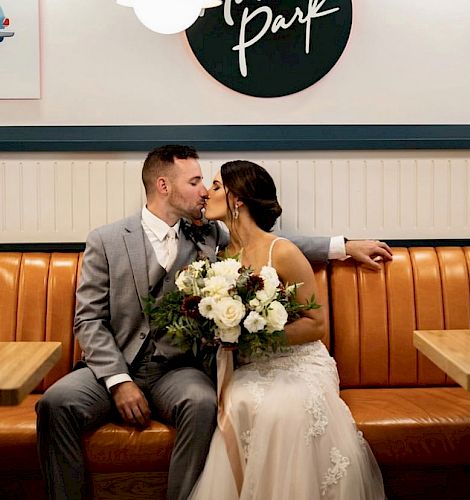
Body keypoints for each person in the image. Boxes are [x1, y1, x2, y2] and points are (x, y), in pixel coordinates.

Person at [36, 145, 390, 500]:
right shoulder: (107, 239)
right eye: (195, 181)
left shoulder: (208, 235)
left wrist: (343, 246)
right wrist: (118, 380)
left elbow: (269, 244)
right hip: (114, 365)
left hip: (175, 370)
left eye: (208, 182)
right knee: (56, 402)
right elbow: (89, 320)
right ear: (163, 186)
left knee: (203, 403)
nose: (204, 189)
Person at [188, 160, 386, 500]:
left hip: (299, 362)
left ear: (237, 199)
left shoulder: (282, 251)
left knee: (283, 408)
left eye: (217, 186)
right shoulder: (218, 257)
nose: (207, 192)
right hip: (250, 368)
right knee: (239, 402)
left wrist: (255, 338)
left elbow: (316, 325)